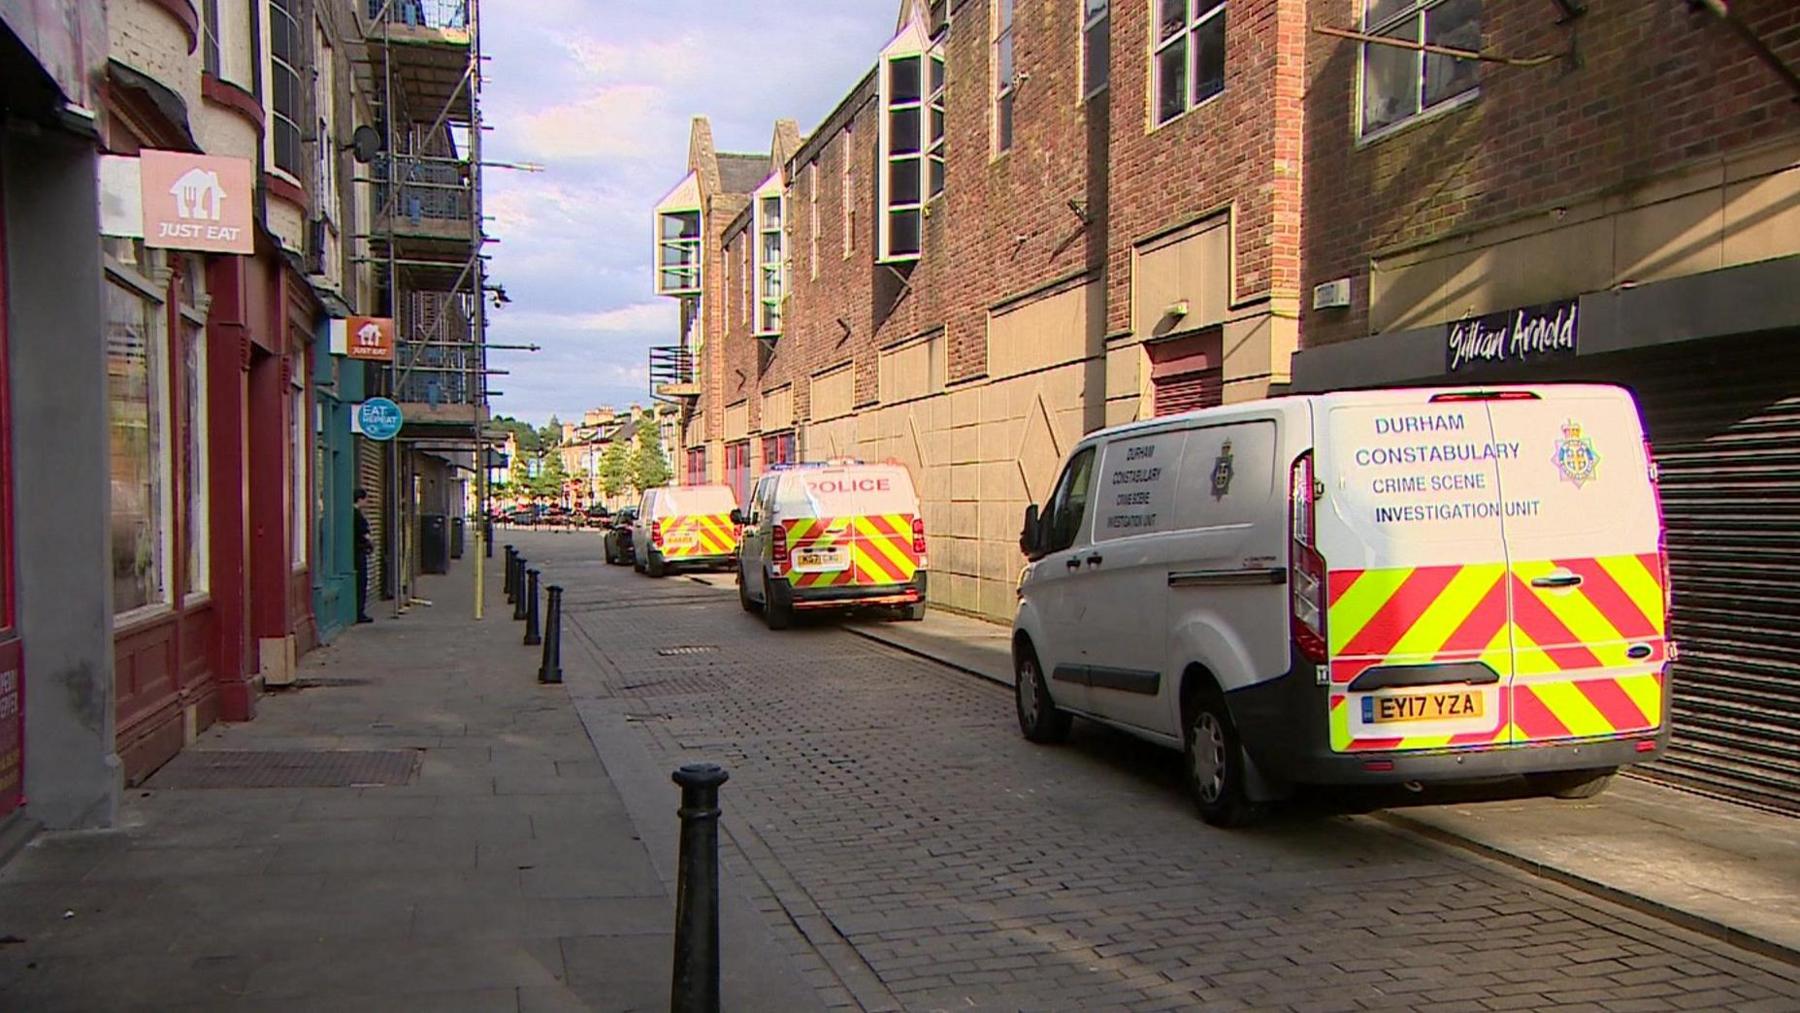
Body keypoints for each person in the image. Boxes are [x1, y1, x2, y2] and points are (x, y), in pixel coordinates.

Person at [354, 488, 374, 624]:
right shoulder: (358, 517)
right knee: (361, 582)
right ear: (360, 499)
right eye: (366, 499)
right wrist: (370, 544)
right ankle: (359, 612)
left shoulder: (349, 514)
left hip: (353, 552)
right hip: (359, 553)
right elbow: (365, 535)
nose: (367, 502)